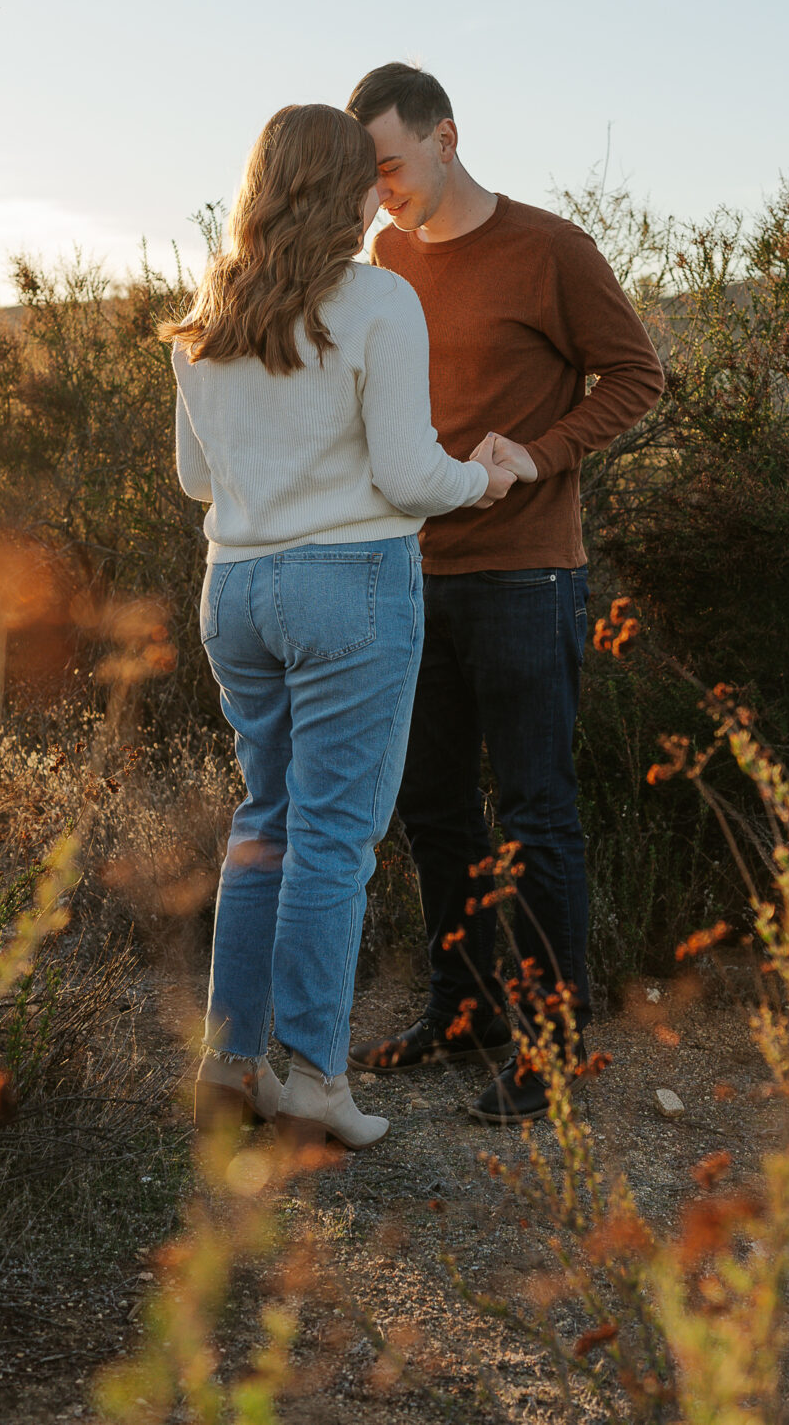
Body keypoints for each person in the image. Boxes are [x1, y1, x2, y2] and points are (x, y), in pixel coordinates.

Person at [168, 101, 528, 1151]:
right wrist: (487, 477)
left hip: (232, 587)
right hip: (347, 584)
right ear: (343, 187)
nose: (382, 188)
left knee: (262, 823)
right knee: (331, 838)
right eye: (368, 174)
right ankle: (317, 1080)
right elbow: (410, 473)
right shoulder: (378, 299)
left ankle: (230, 1065)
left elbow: (199, 478)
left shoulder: (205, 318)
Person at [342, 63, 666, 1124]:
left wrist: (540, 452)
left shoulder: (550, 248)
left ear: (444, 135)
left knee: (534, 813)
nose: (382, 187)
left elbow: (635, 377)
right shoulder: (384, 258)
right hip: (408, 574)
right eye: (369, 172)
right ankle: (464, 1007)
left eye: (391, 162)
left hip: (527, 574)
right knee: (432, 808)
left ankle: (555, 1042)